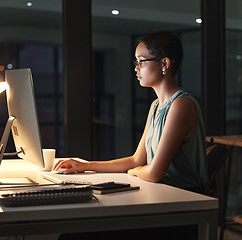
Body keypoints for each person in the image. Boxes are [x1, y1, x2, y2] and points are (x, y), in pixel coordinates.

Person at [54, 31, 207, 194]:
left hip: (187, 198)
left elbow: (154, 173)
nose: (136, 68)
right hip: (162, 192)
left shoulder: (181, 105)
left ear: (164, 64)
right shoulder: (156, 105)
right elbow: (136, 160)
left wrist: (134, 171)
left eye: (141, 61)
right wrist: (85, 165)